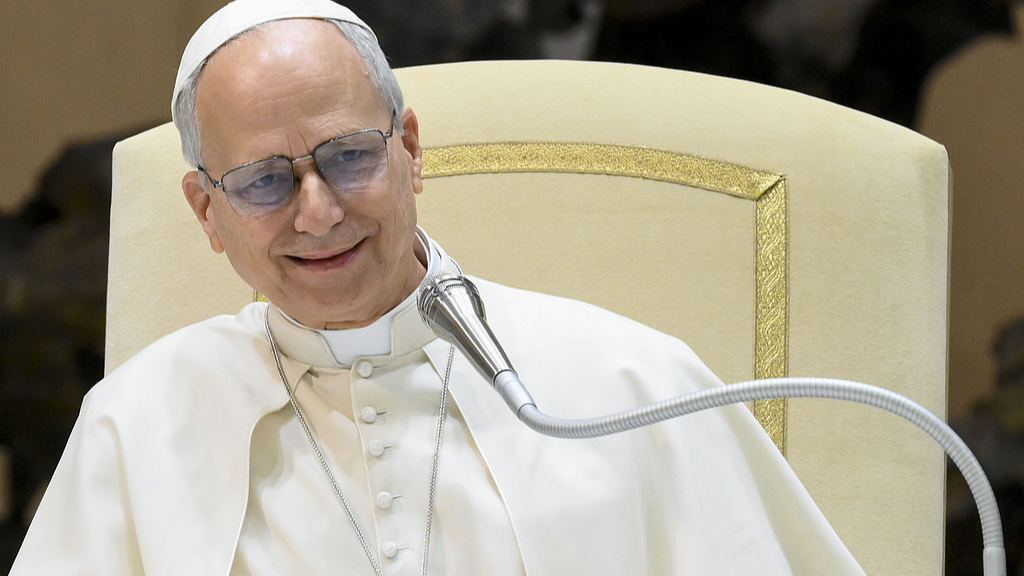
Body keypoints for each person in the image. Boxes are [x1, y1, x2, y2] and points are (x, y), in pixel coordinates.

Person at [11, 0, 865, 574]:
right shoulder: (136, 423)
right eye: (265, 182)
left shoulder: (630, 381)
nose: (317, 214)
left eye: (348, 157)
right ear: (207, 209)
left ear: (410, 148)